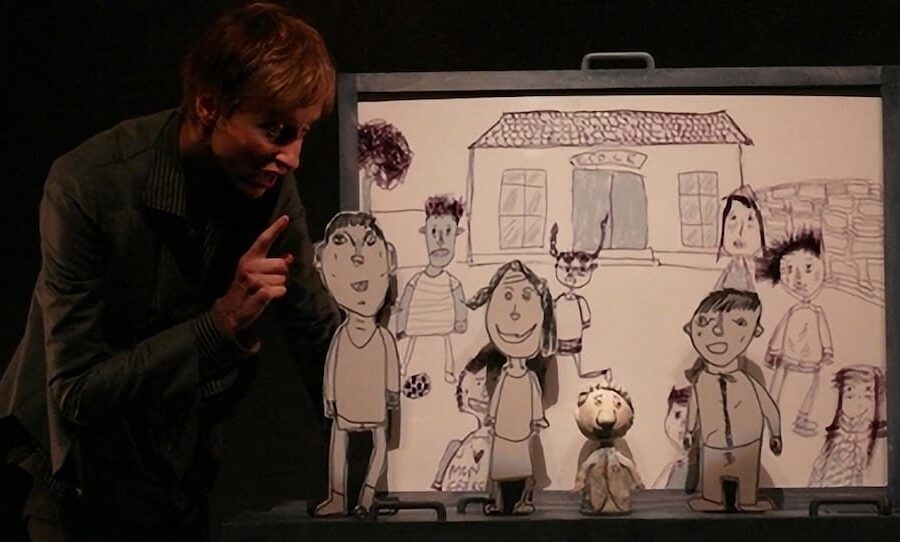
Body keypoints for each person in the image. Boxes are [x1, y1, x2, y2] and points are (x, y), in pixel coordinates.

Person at [0, 3, 340, 539]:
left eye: (303, 133)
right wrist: (220, 326)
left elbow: (317, 332)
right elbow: (75, 392)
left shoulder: (270, 187)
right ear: (208, 105)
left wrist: (391, 443)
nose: (293, 157)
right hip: (73, 480)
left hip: (175, 473)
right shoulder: (89, 185)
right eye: (276, 131)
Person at [313, 212, 401, 517]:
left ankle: (367, 496)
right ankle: (338, 497)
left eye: (368, 244)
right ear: (321, 261)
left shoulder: (383, 337)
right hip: (347, 401)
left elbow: (391, 366)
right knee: (340, 440)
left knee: (379, 443)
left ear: (389, 260)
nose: (358, 257)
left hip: (374, 401)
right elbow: (331, 367)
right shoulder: (341, 336)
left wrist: (392, 392)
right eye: (343, 243)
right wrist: (330, 396)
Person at [465, 260, 557, 515]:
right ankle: (499, 501)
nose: (515, 312)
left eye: (526, 297)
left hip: (522, 432)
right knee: (500, 467)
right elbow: (495, 397)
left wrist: (537, 419)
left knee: (523, 466)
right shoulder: (503, 372)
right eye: (507, 297)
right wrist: (492, 416)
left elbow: (535, 398)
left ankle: (522, 501)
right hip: (503, 430)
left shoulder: (529, 376)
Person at [682, 289, 782, 512]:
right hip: (712, 443)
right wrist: (689, 431)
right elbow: (694, 407)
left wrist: (775, 433)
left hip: (748, 443)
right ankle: (712, 499)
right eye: (705, 322)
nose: (717, 331)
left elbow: (768, 407)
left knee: (747, 475)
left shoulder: (747, 382)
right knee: (712, 476)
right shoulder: (701, 382)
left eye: (738, 323)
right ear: (690, 329)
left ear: (756, 331)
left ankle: (747, 500)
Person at [759, 229, 833, 437]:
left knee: (814, 384)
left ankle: (803, 417)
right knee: (779, 380)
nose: (798, 278)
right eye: (789, 270)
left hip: (812, 357)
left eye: (808, 268)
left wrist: (827, 350)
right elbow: (779, 332)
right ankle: (770, 411)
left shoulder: (817, 313)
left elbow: (824, 333)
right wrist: (773, 351)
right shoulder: (792, 312)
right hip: (789, 355)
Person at [395, 194, 468, 384]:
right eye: (434, 232)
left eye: (448, 232)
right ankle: (403, 367)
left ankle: (448, 370)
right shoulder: (416, 281)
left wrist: (461, 321)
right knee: (412, 345)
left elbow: (460, 302)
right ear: (426, 235)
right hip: (417, 326)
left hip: (443, 326)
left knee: (446, 344)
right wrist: (401, 327)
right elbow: (404, 304)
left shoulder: (452, 282)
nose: (441, 241)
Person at [714, 185, 766, 292]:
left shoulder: (762, 272)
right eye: (733, 219)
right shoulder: (729, 271)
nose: (740, 232)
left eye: (750, 220)